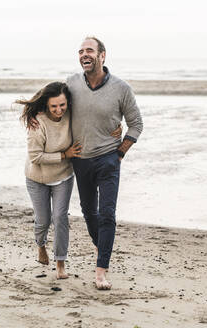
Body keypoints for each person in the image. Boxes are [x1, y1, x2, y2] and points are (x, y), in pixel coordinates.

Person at [17, 82, 121, 280]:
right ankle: (40, 245)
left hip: (63, 176)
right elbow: (35, 157)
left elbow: (94, 121)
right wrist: (64, 154)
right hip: (37, 177)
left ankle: (60, 263)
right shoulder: (37, 123)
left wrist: (116, 126)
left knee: (60, 218)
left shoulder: (72, 116)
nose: (59, 110)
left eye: (62, 105)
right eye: (54, 106)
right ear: (47, 105)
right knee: (43, 220)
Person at [68, 36, 143, 290]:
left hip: (108, 160)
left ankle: (101, 271)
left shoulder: (122, 89)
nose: (83, 54)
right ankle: (104, 249)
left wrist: (120, 152)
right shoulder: (71, 84)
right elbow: (54, 110)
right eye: (80, 51)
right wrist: (35, 118)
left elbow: (136, 123)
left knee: (107, 214)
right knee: (90, 213)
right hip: (81, 160)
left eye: (89, 50)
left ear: (103, 55)